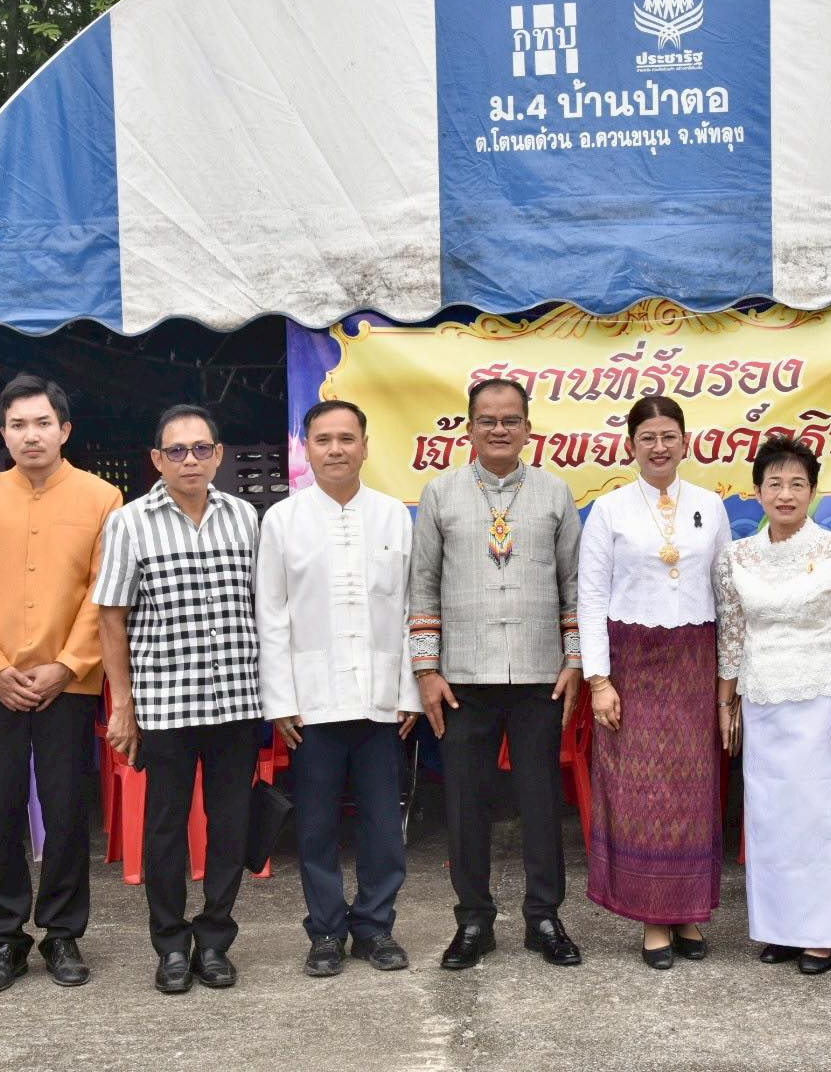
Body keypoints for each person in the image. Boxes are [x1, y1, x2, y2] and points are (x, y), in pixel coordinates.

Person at [0, 374, 123, 994]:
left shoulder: (103, 499)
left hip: (66, 684)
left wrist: (68, 664)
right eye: (17, 425)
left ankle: (64, 934)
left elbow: (104, 593)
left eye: (42, 423)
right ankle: (3, 938)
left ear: (64, 429)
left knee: (68, 809)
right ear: (4, 434)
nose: (31, 435)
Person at [409, 377, 584, 970]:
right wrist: (427, 670)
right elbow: (423, 586)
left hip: (539, 674)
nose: (500, 430)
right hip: (462, 679)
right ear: (470, 427)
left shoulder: (555, 493)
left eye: (511, 420)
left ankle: (544, 917)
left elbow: (575, 585)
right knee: (464, 804)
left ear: (529, 428)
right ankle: (473, 921)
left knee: (540, 800)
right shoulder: (440, 494)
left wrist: (577, 660)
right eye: (488, 420)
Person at [97, 404, 261, 995]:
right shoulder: (130, 523)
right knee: (164, 830)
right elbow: (111, 620)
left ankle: (215, 938)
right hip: (165, 703)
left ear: (218, 455)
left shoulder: (245, 517)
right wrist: (122, 704)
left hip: (238, 700)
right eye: (176, 451)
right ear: (157, 460)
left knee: (231, 826)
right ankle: (169, 944)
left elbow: (263, 607)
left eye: (200, 449)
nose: (189, 460)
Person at [716, 436, 831, 974]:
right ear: (757, 491)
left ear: (814, 491)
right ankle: (782, 929)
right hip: (765, 701)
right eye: (775, 484)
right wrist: (727, 702)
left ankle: (824, 933)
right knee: (772, 820)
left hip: (825, 702)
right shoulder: (735, 557)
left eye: (798, 484)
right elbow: (732, 633)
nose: (786, 494)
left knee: (825, 819)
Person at [257, 400, 420, 978]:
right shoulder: (282, 520)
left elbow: (409, 609)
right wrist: (281, 702)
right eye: (323, 439)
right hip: (310, 702)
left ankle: (375, 927)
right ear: (306, 448)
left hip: (382, 702)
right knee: (317, 825)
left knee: (382, 823)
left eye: (346, 438)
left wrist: (410, 692)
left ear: (366, 446)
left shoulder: (394, 517)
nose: (335, 449)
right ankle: (325, 931)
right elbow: (271, 616)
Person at [577, 395, 729, 969]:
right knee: (641, 794)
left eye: (669, 436)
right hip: (631, 666)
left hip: (693, 661)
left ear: (685, 442)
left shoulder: (710, 507)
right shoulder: (609, 511)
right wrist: (599, 680)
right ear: (631, 446)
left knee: (691, 793)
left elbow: (724, 591)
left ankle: (687, 911)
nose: (659, 446)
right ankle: (652, 920)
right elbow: (590, 599)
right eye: (648, 437)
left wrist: (726, 678)